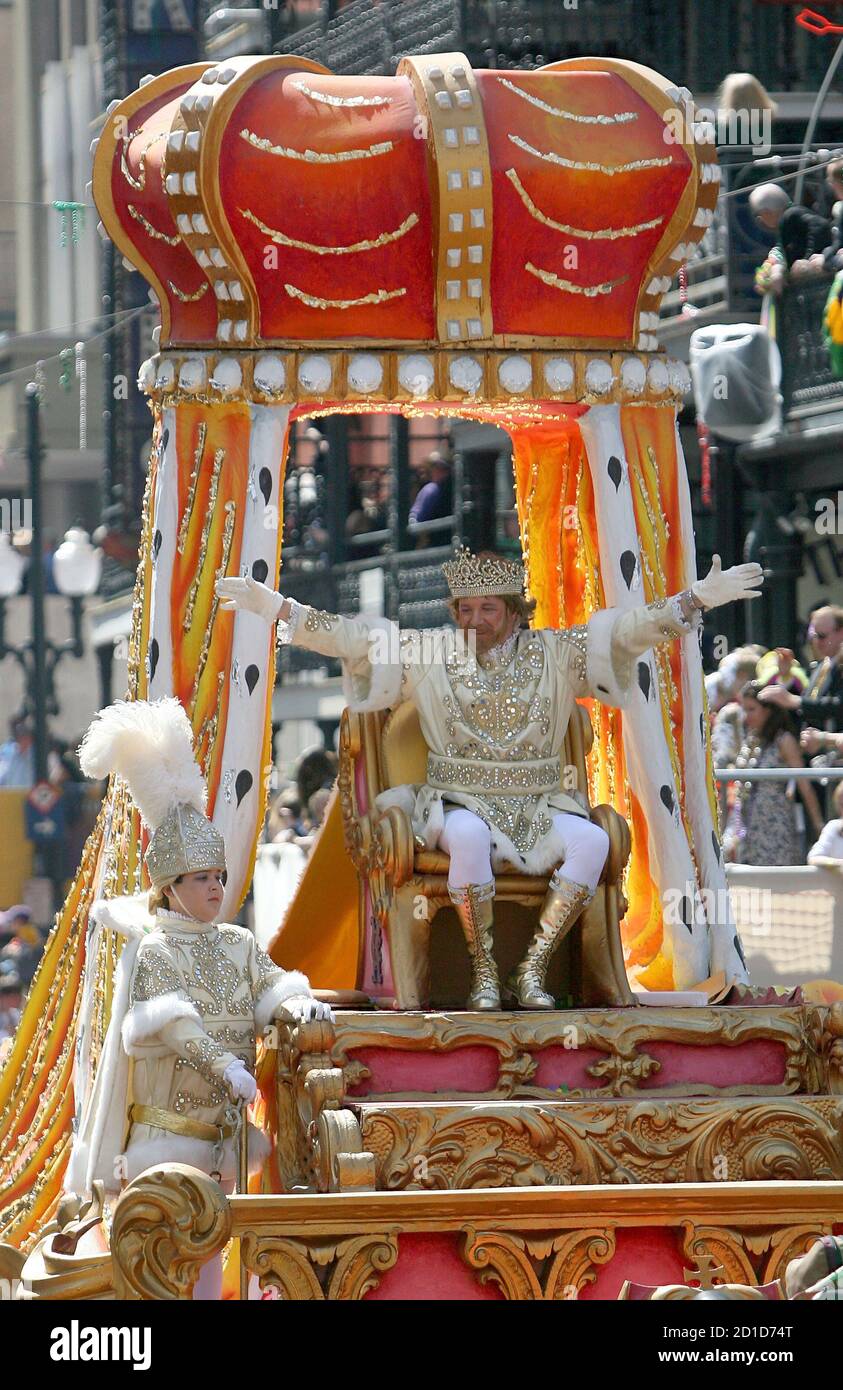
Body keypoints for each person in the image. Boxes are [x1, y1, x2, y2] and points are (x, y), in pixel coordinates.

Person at [218, 548, 763, 1010]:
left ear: (514, 611)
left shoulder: (556, 652)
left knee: (595, 841)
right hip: (454, 802)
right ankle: (482, 971)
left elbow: (627, 632)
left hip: (539, 804)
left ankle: (531, 971)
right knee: (471, 838)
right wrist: (279, 608)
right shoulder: (431, 654)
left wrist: (693, 600)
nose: (475, 620)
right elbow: (354, 639)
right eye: (466, 609)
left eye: (488, 609)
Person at [67, 697, 333, 1299]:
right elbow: (172, 1027)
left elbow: (272, 987)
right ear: (170, 887)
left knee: (214, 1274)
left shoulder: (239, 941)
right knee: (165, 1275)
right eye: (201, 880)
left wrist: (299, 1005)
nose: (216, 888)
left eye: (217, 877)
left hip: (225, 1140)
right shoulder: (156, 948)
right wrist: (225, 1064)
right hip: (166, 1141)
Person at [722, 681, 823, 865]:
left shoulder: (783, 740)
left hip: (775, 829)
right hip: (748, 827)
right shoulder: (751, 739)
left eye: (751, 709)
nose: (746, 716)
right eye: (744, 710)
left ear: (768, 710)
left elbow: (804, 784)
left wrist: (818, 826)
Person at [760, 605, 843, 730]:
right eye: (814, 636)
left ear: (841, 633)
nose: (816, 642)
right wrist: (785, 675)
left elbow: (838, 705)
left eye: (822, 636)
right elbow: (803, 706)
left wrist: (795, 700)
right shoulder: (819, 666)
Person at [749, 184, 831, 277]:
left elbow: (820, 226)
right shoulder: (787, 222)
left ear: (766, 213)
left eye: (760, 216)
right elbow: (781, 249)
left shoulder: (790, 215)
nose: (761, 220)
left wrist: (808, 260)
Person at [0, 717, 35, 788]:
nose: (23, 740)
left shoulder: (36, 756)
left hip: (31, 796)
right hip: (13, 796)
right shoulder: (11, 754)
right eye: (20, 737)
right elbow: (3, 774)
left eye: (25, 737)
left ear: (31, 738)